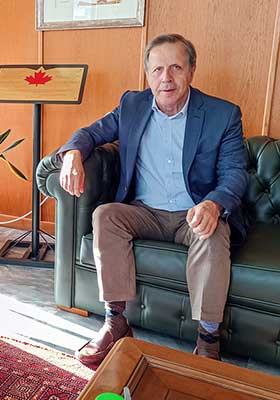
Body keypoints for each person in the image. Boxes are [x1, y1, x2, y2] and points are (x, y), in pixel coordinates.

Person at [58, 33, 248, 366]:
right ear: (147, 74)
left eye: (176, 67)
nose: (166, 78)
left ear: (191, 71)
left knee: (213, 230)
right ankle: (115, 321)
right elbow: (91, 133)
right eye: (158, 69)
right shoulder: (132, 105)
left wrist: (213, 204)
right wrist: (73, 153)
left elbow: (235, 173)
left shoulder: (223, 114)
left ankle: (207, 339)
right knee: (105, 215)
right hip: (144, 211)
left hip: (193, 213)